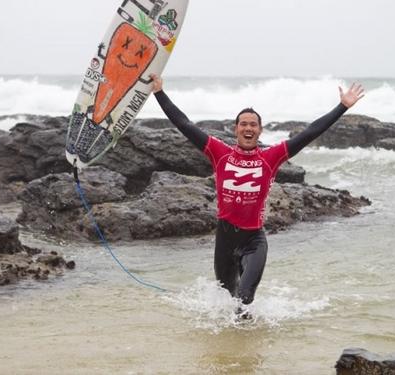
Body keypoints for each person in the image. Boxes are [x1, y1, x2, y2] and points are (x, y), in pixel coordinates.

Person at [150, 74, 364, 315]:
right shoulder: (219, 153)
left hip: (253, 242)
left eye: (253, 124)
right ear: (236, 129)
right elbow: (185, 125)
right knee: (227, 300)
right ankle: (233, 347)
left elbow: (310, 133)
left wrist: (342, 107)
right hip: (224, 240)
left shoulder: (271, 157)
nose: (248, 128)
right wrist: (159, 92)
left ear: (260, 130)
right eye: (243, 124)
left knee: (244, 298)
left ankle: (248, 345)